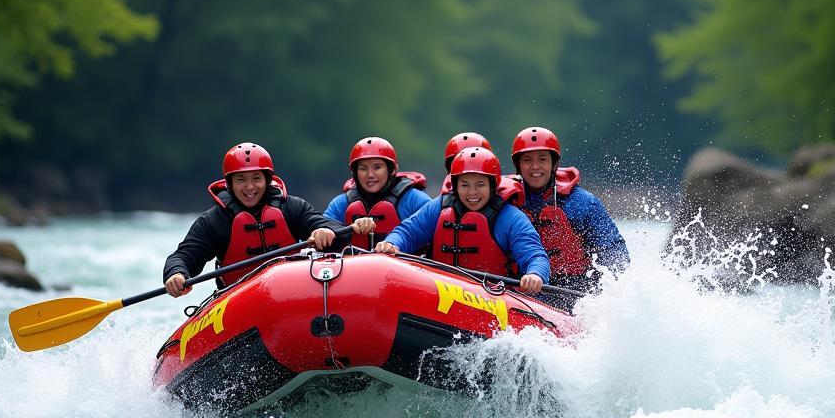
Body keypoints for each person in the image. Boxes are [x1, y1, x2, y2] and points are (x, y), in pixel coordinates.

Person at [163, 143, 374, 296]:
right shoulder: (214, 220)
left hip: (291, 292)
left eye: (256, 178)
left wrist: (326, 232)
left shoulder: (291, 207)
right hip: (235, 297)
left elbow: (329, 228)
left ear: (267, 179)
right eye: (241, 180)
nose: (249, 187)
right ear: (229, 183)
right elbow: (183, 255)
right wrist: (176, 273)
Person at [375, 147, 549, 295]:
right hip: (439, 291)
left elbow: (535, 256)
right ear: (456, 186)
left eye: (480, 185)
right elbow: (408, 232)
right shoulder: (439, 207)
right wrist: (392, 243)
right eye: (465, 185)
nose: (472, 193)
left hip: (492, 297)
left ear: (492, 185)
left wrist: (535, 274)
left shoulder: (510, 217)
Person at [511, 126, 629, 294]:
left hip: (575, 290)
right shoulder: (507, 200)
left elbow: (613, 248)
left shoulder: (582, 203)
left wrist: (613, 288)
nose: (535, 167)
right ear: (518, 165)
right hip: (523, 289)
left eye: (542, 159)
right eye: (527, 160)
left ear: (554, 164)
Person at [323, 136, 430, 250]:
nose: (370, 174)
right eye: (363, 168)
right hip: (353, 267)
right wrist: (348, 228)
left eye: (377, 167)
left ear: (392, 170)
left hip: (405, 265)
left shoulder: (415, 200)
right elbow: (323, 227)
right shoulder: (341, 203)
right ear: (354, 172)